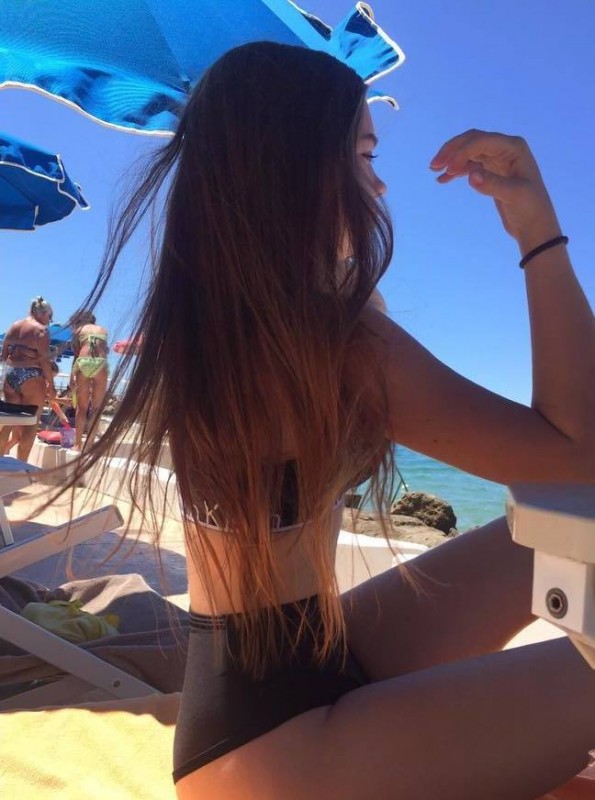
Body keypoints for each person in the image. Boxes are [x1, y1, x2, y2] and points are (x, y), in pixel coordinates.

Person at [71, 43, 595, 800]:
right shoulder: (326, 335)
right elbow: (578, 456)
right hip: (273, 756)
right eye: (362, 155)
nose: (378, 184)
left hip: (286, 673)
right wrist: (536, 229)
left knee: (540, 539)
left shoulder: (231, 315)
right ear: (293, 167)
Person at [0, 296, 55, 461]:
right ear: (42, 313)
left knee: (8, 423)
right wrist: (51, 385)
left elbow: (3, 356)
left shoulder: (14, 326)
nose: (49, 321)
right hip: (32, 375)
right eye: (49, 317)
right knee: (31, 423)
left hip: (11, 374)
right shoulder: (41, 330)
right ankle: (22, 466)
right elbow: (44, 361)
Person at [68, 311, 109, 451]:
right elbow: (104, 350)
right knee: (96, 408)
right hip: (101, 363)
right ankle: (90, 444)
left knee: (82, 407)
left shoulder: (78, 331)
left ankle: (77, 444)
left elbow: (76, 355)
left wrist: (71, 376)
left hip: (83, 362)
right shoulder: (103, 330)